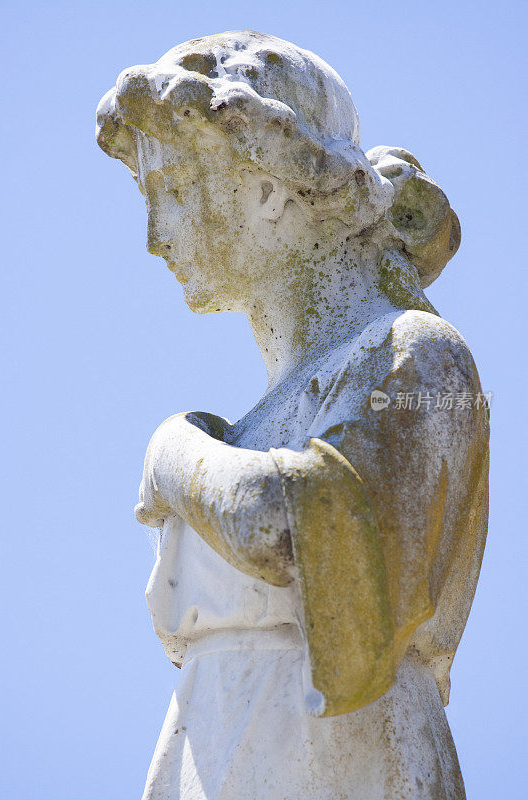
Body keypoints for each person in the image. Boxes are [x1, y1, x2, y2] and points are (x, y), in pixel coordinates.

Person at [97, 31, 489, 800]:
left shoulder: (415, 354)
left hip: (339, 755)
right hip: (209, 749)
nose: (154, 238)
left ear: (269, 188)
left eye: (173, 190)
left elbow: (293, 526)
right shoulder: (247, 429)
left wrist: (175, 453)